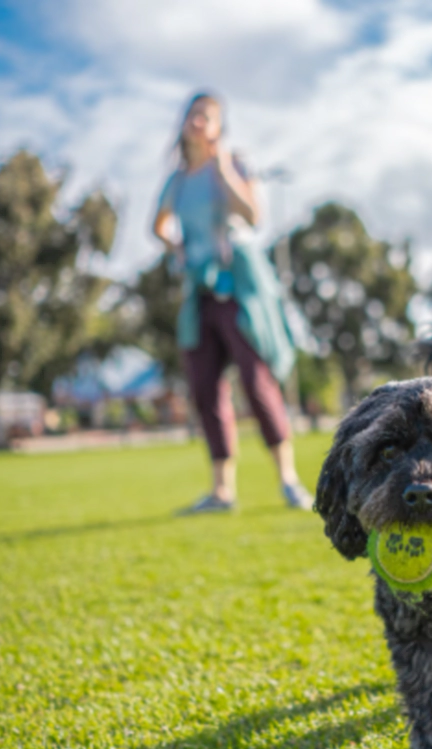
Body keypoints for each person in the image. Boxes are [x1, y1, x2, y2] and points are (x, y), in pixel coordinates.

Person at [153, 92, 312, 513]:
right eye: (193, 115)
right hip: (199, 291)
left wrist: (223, 168)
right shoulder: (179, 179)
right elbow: (159, 225)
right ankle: (222, 491)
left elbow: (254, 216)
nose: (198, 121)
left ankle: (289, 480)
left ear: (219, 126)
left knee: (256, 381)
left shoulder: (234, 163)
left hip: (237, 287)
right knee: (205, 388)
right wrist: (177, 250)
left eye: (208, 116)